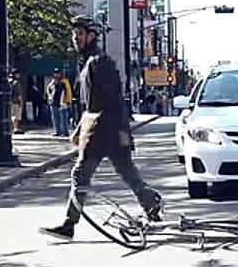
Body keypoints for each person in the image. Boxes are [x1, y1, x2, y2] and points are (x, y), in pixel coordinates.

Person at [39, 15, 162, 240]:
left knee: (80, 174)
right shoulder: (90, 62)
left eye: (80, 34)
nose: (76, 38)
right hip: (103, 126)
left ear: (92, 35)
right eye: (74, 34)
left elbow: (112, 100)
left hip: (103, 128)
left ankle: (69, 224)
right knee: (127, 172)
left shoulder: (99, 62)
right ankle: (150, 202)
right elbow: (93, 102)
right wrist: (81, 127)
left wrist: (122, 129)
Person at [47, 68, 72, 137]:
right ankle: (57, 131)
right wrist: (49, 98)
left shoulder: (64, 82)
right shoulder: (53, 82)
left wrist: (68, 101)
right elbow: (48, 89)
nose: (56, 74)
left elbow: (68, 92)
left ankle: (65, 131)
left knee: (63, 118)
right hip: (54, 102)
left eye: (58, 73)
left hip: (62, 102)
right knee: (55, 118)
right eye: (55, 73)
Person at [9, 68, 25, 134]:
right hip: (15, 101)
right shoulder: (16, 83)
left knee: (12, 114)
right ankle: (16, 128)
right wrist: (21, 102)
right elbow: (19, 94)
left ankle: (13, 127)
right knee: (16, 116)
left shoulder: (9, 82)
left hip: (9, 101)